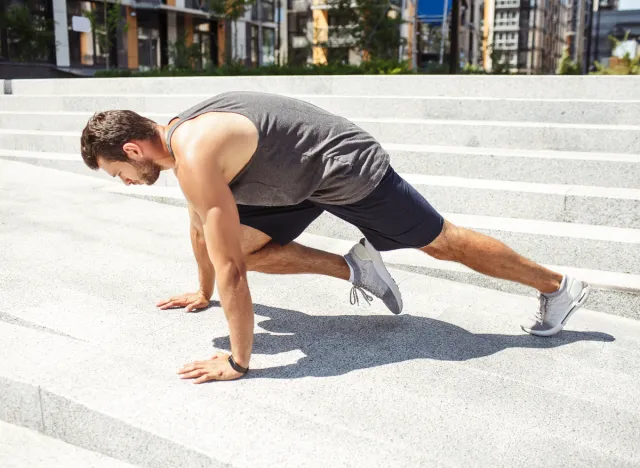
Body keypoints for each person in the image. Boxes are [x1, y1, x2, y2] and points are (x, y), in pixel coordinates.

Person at [80, 91, 591, 383]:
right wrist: (204, 292)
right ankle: (356, 268)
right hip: (297, 177)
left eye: (116, 172)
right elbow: (202, 229)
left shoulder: (194, 156)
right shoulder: (180, 139)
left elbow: (229, 262)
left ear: (132, 149)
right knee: (245, 245)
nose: (123, 182)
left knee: (442, 241)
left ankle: (556, 285)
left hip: (348, 168)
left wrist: (238, 361)